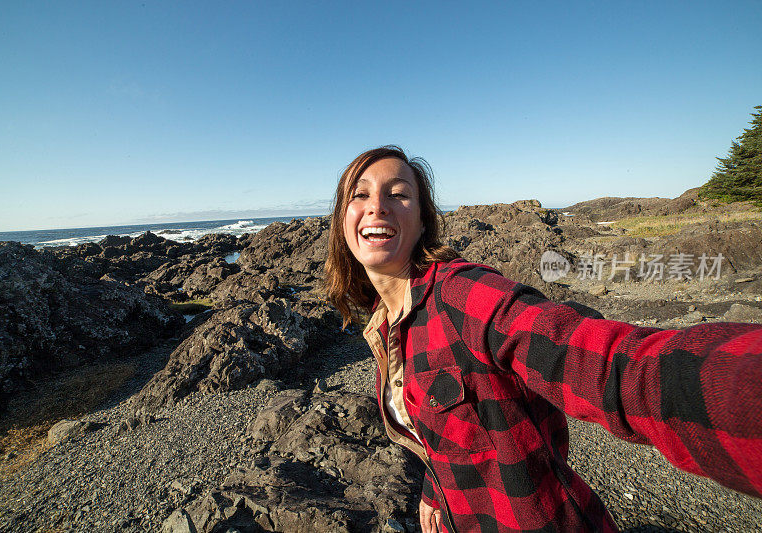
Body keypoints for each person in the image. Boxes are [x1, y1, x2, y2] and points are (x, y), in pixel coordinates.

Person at [324, 145, 762, 533]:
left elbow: (610, 366)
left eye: (398, 193)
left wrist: (736, 384)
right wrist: (434, 491)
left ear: (422, 223)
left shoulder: (464, 296)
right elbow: (442, 429)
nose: (377, 205)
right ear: (342, 221)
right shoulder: (387, 324)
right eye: (360, 194)